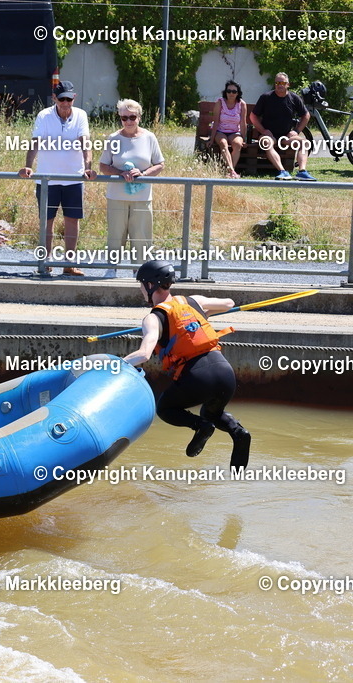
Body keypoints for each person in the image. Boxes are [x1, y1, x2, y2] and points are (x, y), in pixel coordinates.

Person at [123, 260, 250, 469]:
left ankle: (200, 426)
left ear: (150, 285)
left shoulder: (153, 318)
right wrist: (203, 314)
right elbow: (228, 303)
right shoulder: (193, 301)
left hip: (197, 376)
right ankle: (239, 433)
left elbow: (144, 354)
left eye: (140, 285)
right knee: (212, 413)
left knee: (165, 408)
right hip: (225, 373)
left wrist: (117, 365)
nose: (140, 290)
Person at [18, 80, 96, 276]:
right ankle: (44, 262)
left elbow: (85, 144)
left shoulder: (81, 115)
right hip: (47, 179)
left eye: (69, 98)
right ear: (54, 98)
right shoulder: (44, 116)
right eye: (62, 99)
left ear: (74, 98)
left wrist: (88, 167)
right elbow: (35, 142)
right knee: (47, 221)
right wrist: (28, 165)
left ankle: (69, 264)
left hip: (73, 179)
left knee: (72, 221)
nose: (66, 102)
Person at [99, 99, 165, 278]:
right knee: (115, 233)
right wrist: (120, 173)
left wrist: (143, 173)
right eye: (124, 118)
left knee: (141, 235)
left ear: (139, 117)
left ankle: (140, 270)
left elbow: (159, 164)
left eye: (132, 117)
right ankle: (112, 268)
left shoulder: (149, 137)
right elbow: (103, 166)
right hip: (116, 195)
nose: (128, 121)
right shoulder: (113, 138)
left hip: (142, 196)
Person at [250, 73, 315, 181]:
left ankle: (302, 172)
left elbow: (306, 115)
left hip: (286, 136)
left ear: (287, 84)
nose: (279, 85)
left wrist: (296, 131)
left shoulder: (294, 98)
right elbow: (253, 116)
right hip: (269, 135)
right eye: (277, 82)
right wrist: (263, 130)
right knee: (266, 142)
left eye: (282, 83)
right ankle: (282, 171)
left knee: (305, 143)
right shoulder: (266, 97)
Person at [210, 80, 247, 179]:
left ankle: (230, 171)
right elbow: (216, 121)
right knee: (223, 143)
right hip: (220, 131)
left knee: (238, 144)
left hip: (235, 132)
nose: (231, 93)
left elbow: (243, 123)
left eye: (234, 91)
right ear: (225, 92)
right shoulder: (220, 102)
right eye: (229, 91)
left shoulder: (241, 104)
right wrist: (211, 138)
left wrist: (244, 139)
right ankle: (232, 171)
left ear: (238, 93)